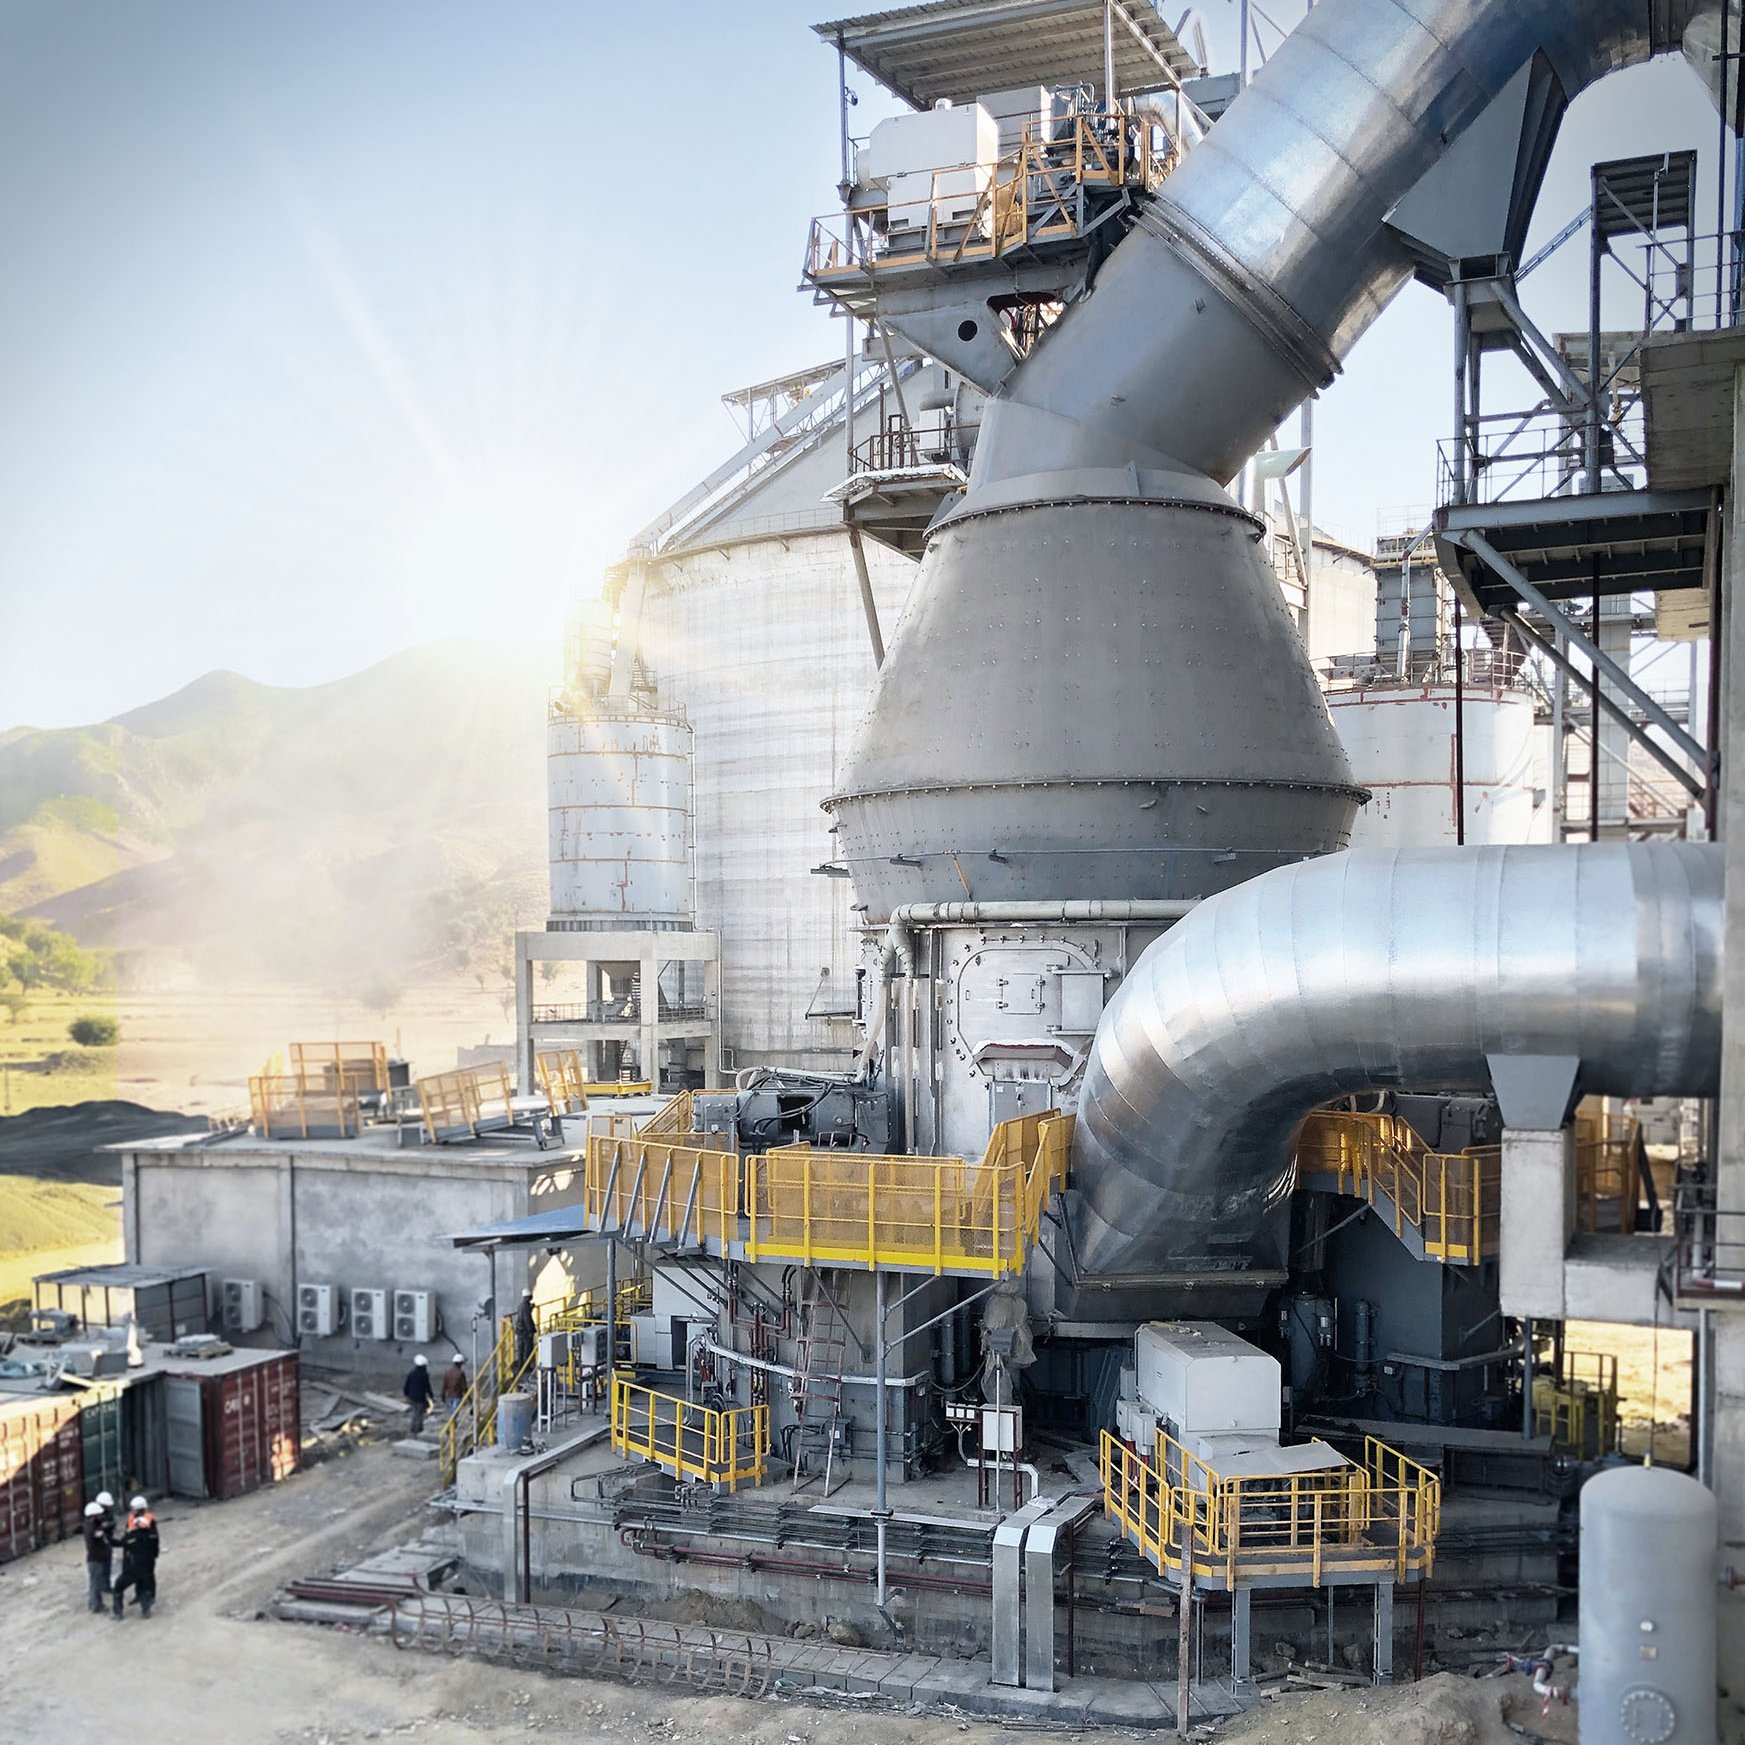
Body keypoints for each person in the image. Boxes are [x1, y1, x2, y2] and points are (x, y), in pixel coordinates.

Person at [112, 1495, 158, 1620]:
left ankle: (118, 1613)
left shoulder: (131, 1537)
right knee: (143, 1584)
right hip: (147, 1563)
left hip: (132, 1565)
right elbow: (155, 1544)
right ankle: (145, 1609)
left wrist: (108, 1540)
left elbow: (122, 1543)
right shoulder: (151, 1534)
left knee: (118, 1587)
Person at [81, 1501, 112, 1614]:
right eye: (99, 1515)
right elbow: (95, 1544)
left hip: (95, 1559)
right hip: (96, 1559)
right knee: (95, 1583)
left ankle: (93, 1603)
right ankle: (96, 1605)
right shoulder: (92, 1530)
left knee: (94, 1582)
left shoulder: (90, 1525)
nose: (101, 1517)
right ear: (93, 1516)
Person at [403, 1353, 433, 1433]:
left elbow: (407, 1385)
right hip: (420, 1398)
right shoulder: (424, 1375)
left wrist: (406, 1394)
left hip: (412, 1397)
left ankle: (413, 1427)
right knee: (419, 1414)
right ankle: (418, 1429)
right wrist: (431, 1395)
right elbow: (427, 1386)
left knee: (414, 1412)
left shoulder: (411, 1374)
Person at [513, 1290, 537, 1373]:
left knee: (520, 1349)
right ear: (527, 1297)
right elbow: (527, 1319)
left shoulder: (521, 1305)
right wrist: (531, 1330)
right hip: (525, 1332)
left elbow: (524, 1315)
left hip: (519, 1330)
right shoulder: (525, 1307)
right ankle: (526, 1367)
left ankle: (520, 1366)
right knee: (528, 1349)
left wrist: (531, 1308)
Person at [441, 1352, 467, 1417]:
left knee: (452, 1413)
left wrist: (442, 1396)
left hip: (449, 1395)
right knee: (455, 1414)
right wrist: (469, 1399)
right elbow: (464, 1387)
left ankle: (453, 1426)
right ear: (460, 1363)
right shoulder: (460, 1373)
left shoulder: (447, 1372)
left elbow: (444, 1385)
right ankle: (453, 1426)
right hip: (457, 1396)